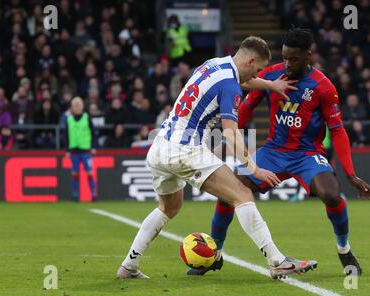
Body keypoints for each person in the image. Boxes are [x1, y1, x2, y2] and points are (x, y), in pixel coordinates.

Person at [117, 36, 317, 280]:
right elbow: (231, 133)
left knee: (169, 207)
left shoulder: (214, 64)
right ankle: (277, 261)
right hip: (186, 149)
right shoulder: (231, 85)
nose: (258, 74)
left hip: (160, 146)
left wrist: (270, 86)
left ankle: (129, 266)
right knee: (242, 195)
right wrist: (254, 169)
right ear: (251, 60)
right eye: (258, 69)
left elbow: (243, 81)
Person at [190, 28, 370, 277]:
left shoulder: (324, 87)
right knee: (229, 192)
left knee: (331, 195)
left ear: (308, 55)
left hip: (307, 155)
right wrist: (229, 136)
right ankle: (215, 255)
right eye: (285, 57)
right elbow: (246, 106)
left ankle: (344, 250)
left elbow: (338, 130)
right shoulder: (271, 75)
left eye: (294, 59)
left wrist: (351, 174)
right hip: (273, 152)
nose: (287, 64)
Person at [64, 97, 97, 202]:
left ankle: (93, 194)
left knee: (89, 173)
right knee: (74, 174)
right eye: (75, 105)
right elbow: (66, 136)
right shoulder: (69, 120)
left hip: (86, 150)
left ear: (82, 106)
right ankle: (75, 195)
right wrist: (67, 150)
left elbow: (93, 133)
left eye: (79, 105)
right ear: (72, 107)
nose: (77, 107)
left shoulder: (87, 118)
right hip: (74, 151)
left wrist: (93, 146)